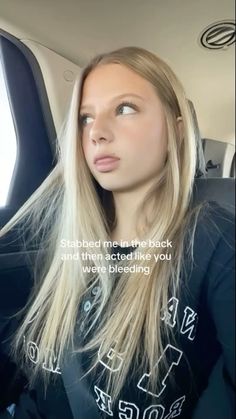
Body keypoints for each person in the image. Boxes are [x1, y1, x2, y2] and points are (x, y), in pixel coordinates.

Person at [0, 47, 235, 419]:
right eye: (84, 118)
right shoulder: (70, 236)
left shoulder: (215, 241)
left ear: (175, 129)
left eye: (124, 108)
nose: (97, 133)